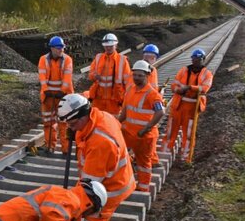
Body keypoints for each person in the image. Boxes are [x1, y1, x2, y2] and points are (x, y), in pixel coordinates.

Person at [57, 93, 135, 221]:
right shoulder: (100, 115)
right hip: (113, 179)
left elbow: (88, 189)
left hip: (109, 188)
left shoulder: (100, 143)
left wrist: (71, 208)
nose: (70, 128)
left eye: (72, 124)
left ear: (83, 117)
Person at [118, 61, 165, 192]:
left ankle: (143, 188)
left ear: (147, 76)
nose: (136, 78)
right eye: (135, 75)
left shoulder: (152, 94)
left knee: (144, 163)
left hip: (145, 136)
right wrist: (117, 123)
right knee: (121, 157)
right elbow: (125, 111)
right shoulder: (130, 90)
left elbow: (160, 112)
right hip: (129, 132)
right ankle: (125, 182)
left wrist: (146, 128)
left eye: (140, 76)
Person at [165, 48, 213, 163]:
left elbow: (204, 88)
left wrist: (190, 87)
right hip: (178, 105)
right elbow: (174, 84)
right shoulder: (183, 70)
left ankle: (185, 158)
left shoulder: (207, 74)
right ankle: (166, 152)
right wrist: (178, 90)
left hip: (192, 108)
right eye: (194, 58)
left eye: (198, 59)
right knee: (171, 131)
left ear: (203, 59)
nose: (195, 61)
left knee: (188, 134)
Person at [38, 36, 75, 155]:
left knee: (63, 123)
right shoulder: (43, 60)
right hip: (48, 97)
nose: (61, 50)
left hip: (63, 98)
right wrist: (45, 90)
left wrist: (63, 91)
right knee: (48, 122)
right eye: (58, 48)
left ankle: (66, 149)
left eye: (62, 48)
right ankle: (50, 147)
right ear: (52, 48)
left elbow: (67, 78)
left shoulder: (67, 60)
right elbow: (42, 77)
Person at [88, 33, 132, 116]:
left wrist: (126, 99)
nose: (108, 48)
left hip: (114, 100)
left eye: (110, 46)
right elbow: (90, 74)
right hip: (98, 99)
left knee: (112, 124)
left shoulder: (122, 60)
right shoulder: (98, 58)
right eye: (106, 46)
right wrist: (94, 76)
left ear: (115, 45)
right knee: (97, 122)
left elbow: (128, 82)